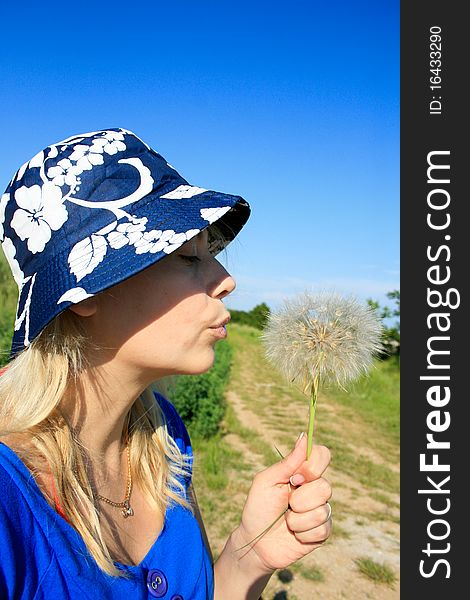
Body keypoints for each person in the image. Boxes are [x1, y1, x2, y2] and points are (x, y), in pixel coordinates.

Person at [0, 128, 332, 599]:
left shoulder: (163, 438)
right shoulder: (8, 507)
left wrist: (249, 555)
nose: (227, 280)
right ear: (85, 292)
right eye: (187, 256)